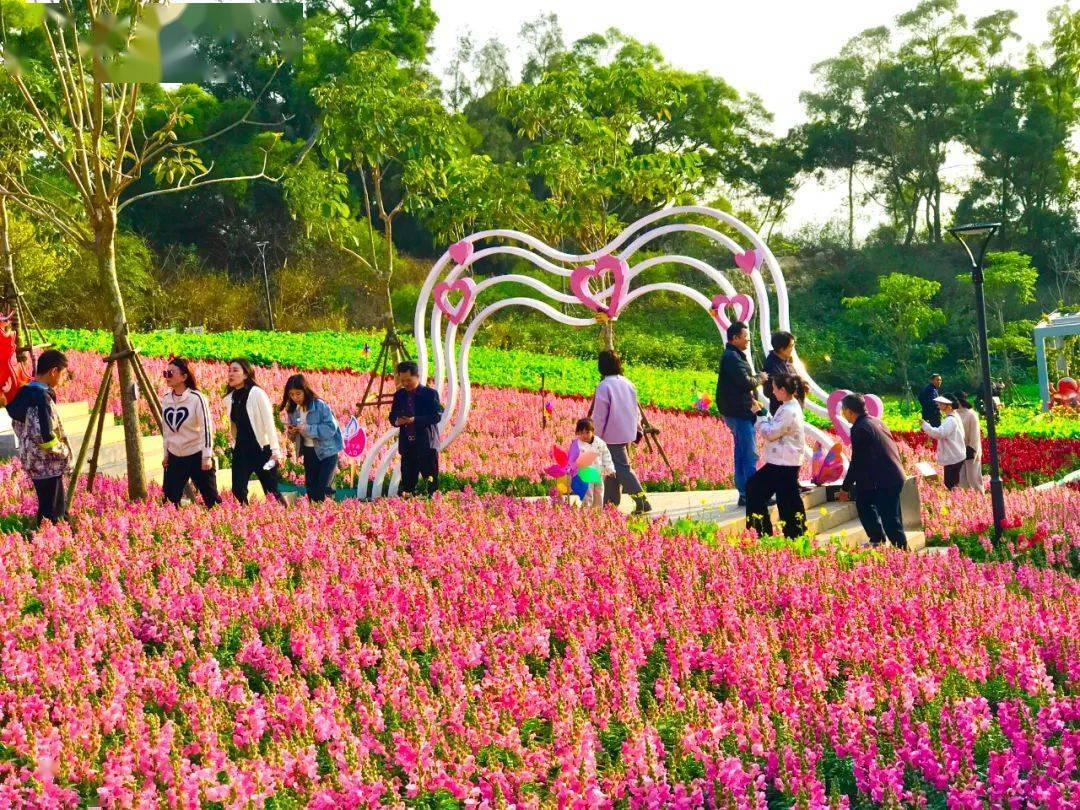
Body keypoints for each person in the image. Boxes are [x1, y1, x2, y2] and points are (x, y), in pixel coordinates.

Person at [6, 350, 71, 524]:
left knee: (46, 509)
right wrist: (63, 451)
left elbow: (18, 425)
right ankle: (58, 543)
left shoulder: (24, 392)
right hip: (48, 464)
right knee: (56, 514)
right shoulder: (41, 398)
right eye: (63, 374)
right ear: (54, 371)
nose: (63, 380)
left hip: (33, 461)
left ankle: (46, 537)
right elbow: (45, 436)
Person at [837, 393, 907, 549]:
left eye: (843, 410)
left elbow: (857, 461)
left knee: (890, 519)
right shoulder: (875, 421)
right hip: (888, 475)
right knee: (863, 502)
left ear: (849, 411)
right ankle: (877, 538)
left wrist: (845, 487)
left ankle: (903, 552)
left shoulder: (859, 428)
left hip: (885, 479)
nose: (843, 413)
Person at [744, 374, 807, 539]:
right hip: (783, 462)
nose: (772, 392)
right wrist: (764, 414)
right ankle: (792, 535)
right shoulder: (788, 406)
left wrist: (759, 415)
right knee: (787, 500)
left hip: (783, 463)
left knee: (758, 491)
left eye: (774, 389)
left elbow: (770, 433)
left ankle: (763, 533)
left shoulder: (789, 410)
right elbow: (776, 425)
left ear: (783, 390)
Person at [592, 350, 653, 514]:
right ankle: (610, 504)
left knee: (622, 469)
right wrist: (637, 430)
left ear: (601, 366)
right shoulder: (628, 383)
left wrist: (594, 437)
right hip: (627, 431)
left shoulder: (604, 386)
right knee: (614, 468)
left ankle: (642, 501)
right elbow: (635, 410)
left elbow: (599, 416)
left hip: (611, 434)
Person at [716, 321, 766, 506]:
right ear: (735, 338)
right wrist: (760, 378)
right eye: (745, 337)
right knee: (749, 453)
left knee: (741, 452)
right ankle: (752, 493)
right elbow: (745, 382)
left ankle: (745, 492)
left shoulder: (734, 355)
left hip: (738, 411)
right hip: (738, 413)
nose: (748, 340)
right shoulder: (732, 357)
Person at [160, 357, 220, 508]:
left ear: (184, 376)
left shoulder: (197, 398)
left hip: (197, 455)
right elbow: (166, 430)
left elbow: (206, 428)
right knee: (169, 498)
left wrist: (207, 456)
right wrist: (166, 454)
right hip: (175, 456)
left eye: (171, 373)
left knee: (211, 499)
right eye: (165, 373)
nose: (167, 376)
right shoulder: (166, 399)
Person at [222, 359, 284, 504]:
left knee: (271, 491)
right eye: (229, 370)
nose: (231, 374)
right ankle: (246, 517)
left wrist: (275, 451)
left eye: (235, 370)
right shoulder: (230, 398)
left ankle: (283, 517)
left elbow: (269, 423)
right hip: (241, 450)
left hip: (261, 450)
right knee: (238, 490)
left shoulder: (257, 393)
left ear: (246, 374)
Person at [281, 374, 343, 503]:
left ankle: (328, 517)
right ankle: (316, 517)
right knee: (311, 490)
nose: (295, 398)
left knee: (323, 489)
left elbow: (331, 428)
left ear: (305, 390)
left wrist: (306, 429)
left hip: (327, 452)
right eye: (291, 394)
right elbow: (294, 435)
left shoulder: (319, 405)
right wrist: (292, 432)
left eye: (298, 393)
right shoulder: (292, 409)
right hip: (309, 452)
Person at [389, 361, 444, 496]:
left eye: (408, 380)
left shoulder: (430, 394)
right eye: (402, 380)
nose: (405, 383)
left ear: (417, 376)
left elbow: (437, 416)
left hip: (427, 446)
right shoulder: (399, 395)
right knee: (407, 486)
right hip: (408, 446)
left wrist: (415, 420)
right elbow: (392, 416)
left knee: (430, 486)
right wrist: (397, 421)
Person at [922, 394, 966, 490]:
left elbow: (939, 433)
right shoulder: (953, 416)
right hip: (955, 455)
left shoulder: (950, 420)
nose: (939, 405)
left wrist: (925, 425)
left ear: (949, 406)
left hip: (953, 456)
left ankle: (956, 501)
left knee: (951, 483)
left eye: (942, 404)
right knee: (952, 483)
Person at [573, 417, 615, 509]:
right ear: (578, 433)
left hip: (598, 472)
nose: (584, 435)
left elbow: (606, 456)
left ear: (593, 431)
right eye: (581, 433)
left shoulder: (600, 443)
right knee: (587, 494)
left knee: (599, 492)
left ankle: (597, 511)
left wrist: (610, 468)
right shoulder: (577, 444)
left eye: (587, 432)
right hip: (585, 473)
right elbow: (572, 458)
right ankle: (586, 510)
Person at [954, 391, 984, 492]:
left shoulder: (971, 414)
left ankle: (981, 501)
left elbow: (975, 435)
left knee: (973, 479)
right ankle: (967, 502)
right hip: (959, 451)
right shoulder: (954, 415)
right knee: (962, 480)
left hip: (971, 451)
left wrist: (971, 450)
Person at [763, 331, 796, 415]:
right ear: (781, 349)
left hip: (792, 408)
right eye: (791, 346)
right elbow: (769, 391)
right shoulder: (771, 366)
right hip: (781, 411)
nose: (793, 348)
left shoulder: (787, 360)